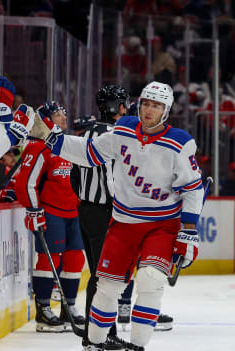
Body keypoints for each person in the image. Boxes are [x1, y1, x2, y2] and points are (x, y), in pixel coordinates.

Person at [43, 81, 204, 350]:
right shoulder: (124, 129)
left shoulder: (180, 142)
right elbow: (90, 152)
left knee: (150, 280)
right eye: (146, 103)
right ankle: (93, 343)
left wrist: (188, 230)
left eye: (156, 105)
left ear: (166, 110)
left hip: (161, 226)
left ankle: (139, 345)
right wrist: (51, 138)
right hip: (123, 222)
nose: (149, 110)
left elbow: (192, 187)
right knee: (106, 287)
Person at [14, 101, 86, 333]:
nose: (63, 119)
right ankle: (43, 310)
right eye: (57, 115)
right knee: (49, 261)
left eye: (64, 114)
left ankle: (70, 307)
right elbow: (26, 182)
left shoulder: (68, 145)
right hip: (50, 212)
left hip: (73, 213)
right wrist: (33, 209)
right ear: (45, 119)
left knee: (75, 260)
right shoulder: (38, 147)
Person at [76, 85, 130, 349]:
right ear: (113, 107)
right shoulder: (113, 133)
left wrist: (87, 201)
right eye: (123, 104)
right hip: (105, 212)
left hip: (86, 210)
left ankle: (103, 332)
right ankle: (95, 336)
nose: (127, 108)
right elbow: (112, 178)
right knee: (105, 277)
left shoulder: (86, 131)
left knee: (101, 275)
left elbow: (76, 176)